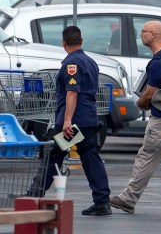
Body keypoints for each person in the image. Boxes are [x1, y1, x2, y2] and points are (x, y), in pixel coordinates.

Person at [109, 21, 161, 214]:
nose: (141, 34)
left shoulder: (158, 62)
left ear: (153, 35)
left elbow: (150, 92)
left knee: (147, 155)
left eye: (143, 31)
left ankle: (128, 198)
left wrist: (141, 103)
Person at [34, 25, 112, 216]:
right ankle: (102, 200)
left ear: (63, 42)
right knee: (90, 157)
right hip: (88, 118)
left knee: (54, 156)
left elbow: (72, 92)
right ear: (81, 41)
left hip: (73, 121)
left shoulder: (72, 63)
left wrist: (67, 120)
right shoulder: (90, 61)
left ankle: (34, 194)